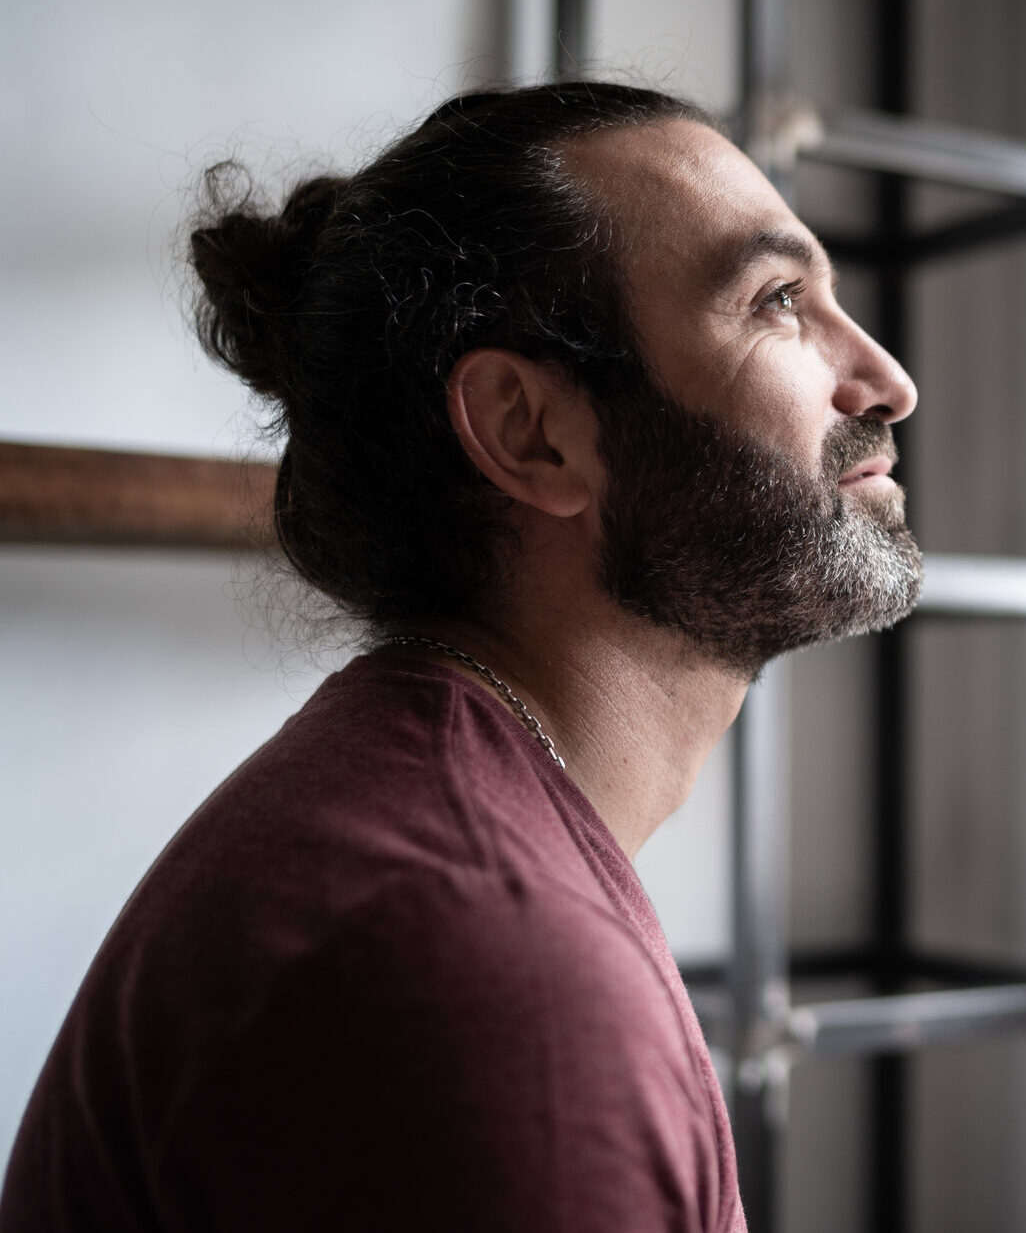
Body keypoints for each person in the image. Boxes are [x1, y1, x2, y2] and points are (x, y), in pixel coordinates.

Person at [0, 82, 920, 1232]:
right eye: (778, 301)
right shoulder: (485, 972)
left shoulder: (456, 830)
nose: (887, 378)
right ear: (531, 431)